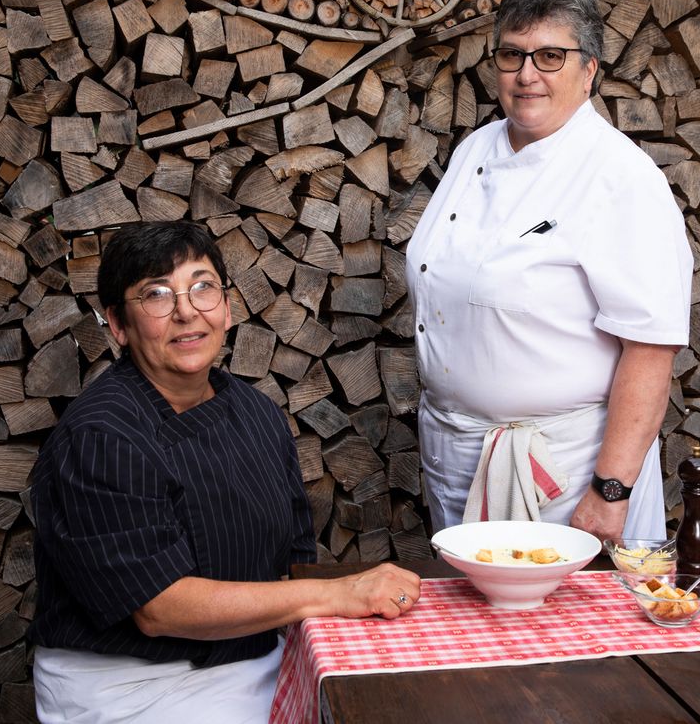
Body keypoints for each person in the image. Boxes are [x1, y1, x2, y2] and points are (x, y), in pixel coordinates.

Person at [29, 221, 420, 724]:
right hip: (134, 682)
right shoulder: (102, 437)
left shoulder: (256, 412)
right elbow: (159, 608)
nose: (186, 310)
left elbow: (291, 558)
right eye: (156, 294)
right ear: (119, 325)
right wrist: (340, 593)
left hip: (251, 657)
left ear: (228, 308)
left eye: (202, 286)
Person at [405, 0, 692, 543]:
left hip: (566, 476)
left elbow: (650, 347)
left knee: (570, 632)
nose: (527, 74)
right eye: (512, 55)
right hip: (456, 453)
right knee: (475, 630)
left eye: (550, 56)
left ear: (589, 70)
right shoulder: (475, 150)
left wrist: (610, 491)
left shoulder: (620, 177)